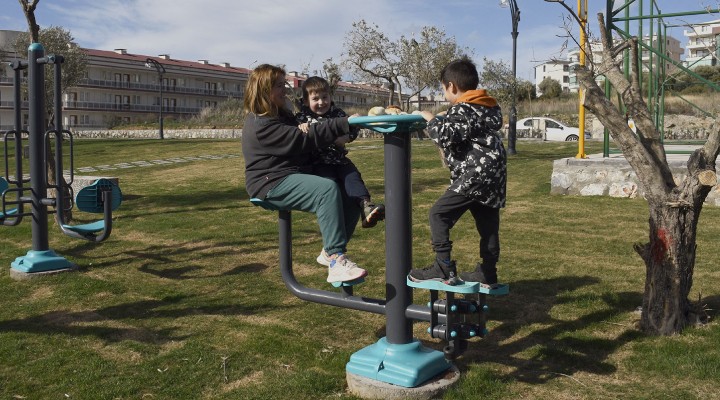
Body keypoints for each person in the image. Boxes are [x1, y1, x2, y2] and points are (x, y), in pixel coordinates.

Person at [242, 64, 367, 283]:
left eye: (284, 84)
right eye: (279, 86)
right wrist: (343, 123)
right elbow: (304, 140)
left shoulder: (284, 114)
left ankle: (329, 253)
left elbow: (309, 129)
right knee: (325, 190)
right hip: (270, 181)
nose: (285, 90)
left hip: (292, 173)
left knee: (351, 196)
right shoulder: (260, 124)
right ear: (264, 90)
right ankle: (337, 260)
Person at [408, 58, 507, 288]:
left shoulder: (463, 109)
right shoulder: (485, 107)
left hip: (474, 175)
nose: (445, 94)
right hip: (494, 178)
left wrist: (430, 118)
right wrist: (450, 113)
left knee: (438, 214)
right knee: (488, 226)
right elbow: (465, 127)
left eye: (443, 89)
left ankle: (442, 266)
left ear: (451, 86)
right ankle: (488, 273)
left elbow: (445, 136)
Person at [296, 76, 385, 228]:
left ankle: (366, 206)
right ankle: (332, 219)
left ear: (330, 97)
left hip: (339, 159)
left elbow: (353, 127)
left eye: (325, 97)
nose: (321, 102)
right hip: (318, 162)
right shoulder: (303, 117)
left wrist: (346, 138)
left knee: (353, 177)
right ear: (305, 101)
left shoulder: (337, 113)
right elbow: (295, 133)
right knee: (331, 185)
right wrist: (301, 126)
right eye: (315, 99)